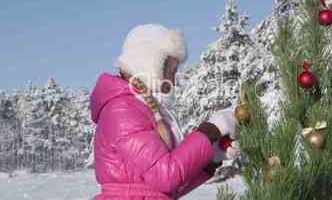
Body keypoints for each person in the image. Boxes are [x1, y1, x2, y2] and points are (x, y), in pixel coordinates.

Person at [90, 24, 240, 200]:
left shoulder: (142, 109)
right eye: (171, 72)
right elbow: (165, 176)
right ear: (150, 67)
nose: (173, 82)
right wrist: (211, 130)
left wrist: (209, 159)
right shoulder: (122, 111)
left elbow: (169, 187)